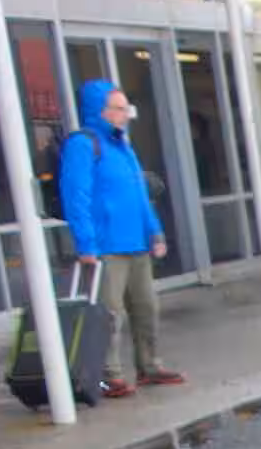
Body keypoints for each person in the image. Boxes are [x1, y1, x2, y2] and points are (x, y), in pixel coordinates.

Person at [58, 79, 183, 399]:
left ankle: (149, 365)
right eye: (118, 108)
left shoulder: (123, 147)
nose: (125, 114)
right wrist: (86, 244)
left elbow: (140, 195)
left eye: (126, 108)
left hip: (136, 243)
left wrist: (154, 231)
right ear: (99, 111)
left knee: (146, 308)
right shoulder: (82, 144)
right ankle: (108, 375)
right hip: (106, 246)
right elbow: (76, 198)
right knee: (110, 314)